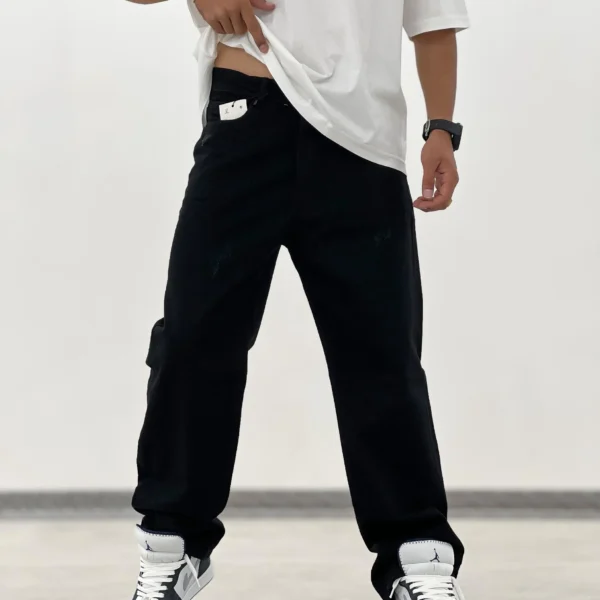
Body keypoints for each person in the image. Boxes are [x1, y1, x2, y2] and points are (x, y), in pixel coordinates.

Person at [126, 0, 470, 599]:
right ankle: (173, 544)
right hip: (245, 111)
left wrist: (442, 127)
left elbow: (433, 19)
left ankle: (418, 556)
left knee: (382, 354)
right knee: (193, 340)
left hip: (362, 139)